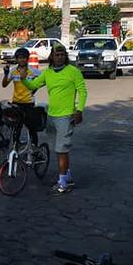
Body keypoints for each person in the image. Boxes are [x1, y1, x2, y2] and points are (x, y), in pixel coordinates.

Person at [20, 44, 87, 196]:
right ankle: (67, 177)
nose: (59, 57)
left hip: (66, 116)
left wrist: (79, 110)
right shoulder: (48, 72)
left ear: (66, 56)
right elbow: (34, 85)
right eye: (57, 55)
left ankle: (63, 183)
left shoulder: (73, 71)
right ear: (51, 57)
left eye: (62, 54)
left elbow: (82, 91)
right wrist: (23, 79)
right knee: (56, 148)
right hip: (52, 115)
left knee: (61, 149)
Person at [2, 47, 42, 144]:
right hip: (16, 103)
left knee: (31, 128)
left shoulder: (33, 71)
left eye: (24, 57)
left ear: (27, 58)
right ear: (16, 59)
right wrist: (6, 74)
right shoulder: (13, 71)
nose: (22, 60)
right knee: (16, 128)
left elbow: (44, 80)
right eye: (19, 58)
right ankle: (16, 148)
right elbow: (4, 85)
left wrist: (35, 89)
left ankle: (34, 149)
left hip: (29, 103)